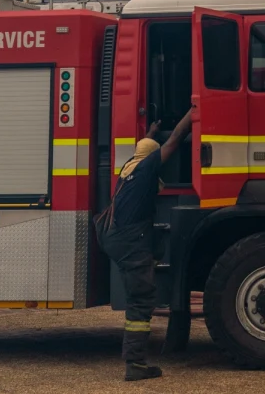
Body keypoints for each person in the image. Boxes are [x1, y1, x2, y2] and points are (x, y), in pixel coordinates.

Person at [95, 107, 193, 381]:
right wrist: (194, 111)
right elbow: (174, 140)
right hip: (128, 240)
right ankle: (135, 364)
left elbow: (147, 147)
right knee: (141, 300)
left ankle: (135, 360)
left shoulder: (130, 166)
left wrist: (149, 132)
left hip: (115, 236)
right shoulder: (149, 166)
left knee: (141, 291)